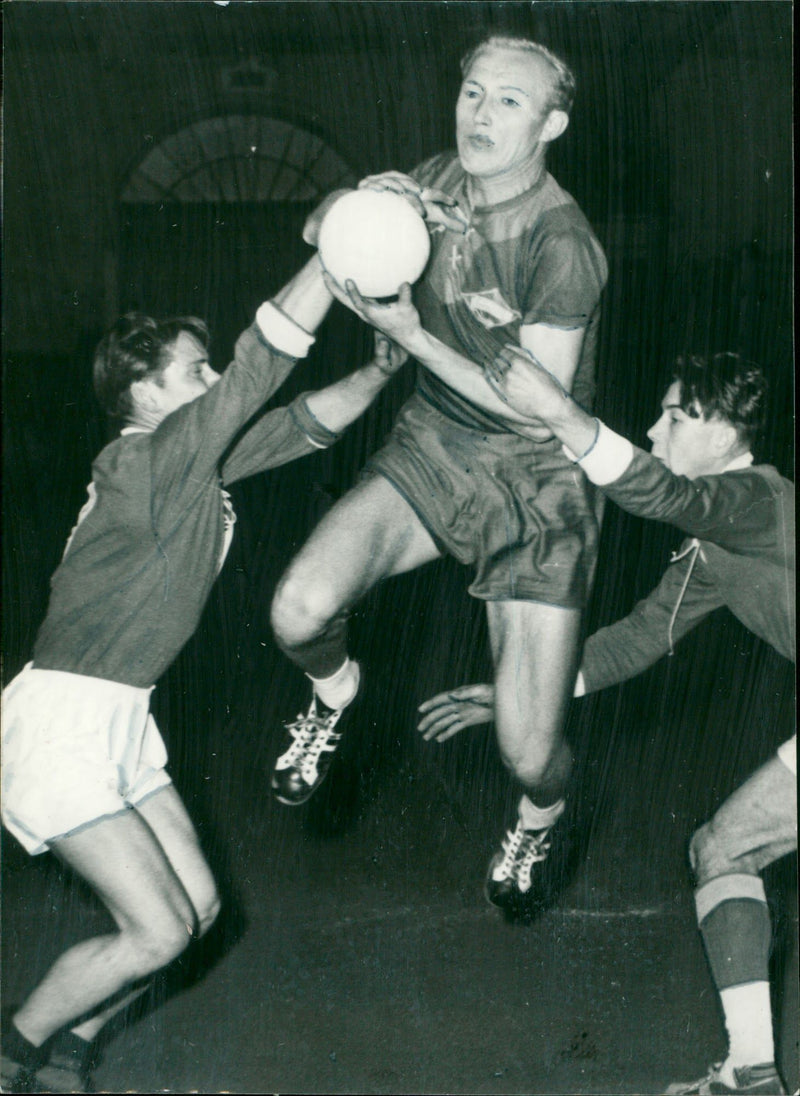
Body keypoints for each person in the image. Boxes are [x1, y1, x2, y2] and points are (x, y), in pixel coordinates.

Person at [0, 252, 409, 1094]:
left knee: (199, 911)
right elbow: (259, 370)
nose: (216, 377)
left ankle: (67, 1055)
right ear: (145, 392)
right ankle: (13, 1055)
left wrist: (377, 369)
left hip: (121, 720)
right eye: (197, 369)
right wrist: (328, 264)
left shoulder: (192, 468)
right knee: (155, 933)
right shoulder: (143, 463)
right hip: (62, 723)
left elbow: (298, 425)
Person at [269, 35, 608, 917]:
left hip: (539, 482)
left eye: (508, 101)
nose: (480, 113)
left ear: (551, 124)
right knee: (298, 609)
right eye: (472, 91)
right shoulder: (435, 180)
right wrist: (359, 201)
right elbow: (319, 233)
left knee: (527, 751)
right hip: (436, 446)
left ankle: (541, 817)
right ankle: (334, 694)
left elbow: (537, 411)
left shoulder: (563, 242)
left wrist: (413, 335)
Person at [418, 349, 796, 1096]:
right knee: (721, 849)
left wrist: (564, 416)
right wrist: (523, 691)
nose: (657, 431)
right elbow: (640, 637)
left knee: (724, 849)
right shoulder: (717, 543)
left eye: (676, 416)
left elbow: (658, 494)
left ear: (725, 433)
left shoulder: (757, 500)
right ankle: (750, 1074)